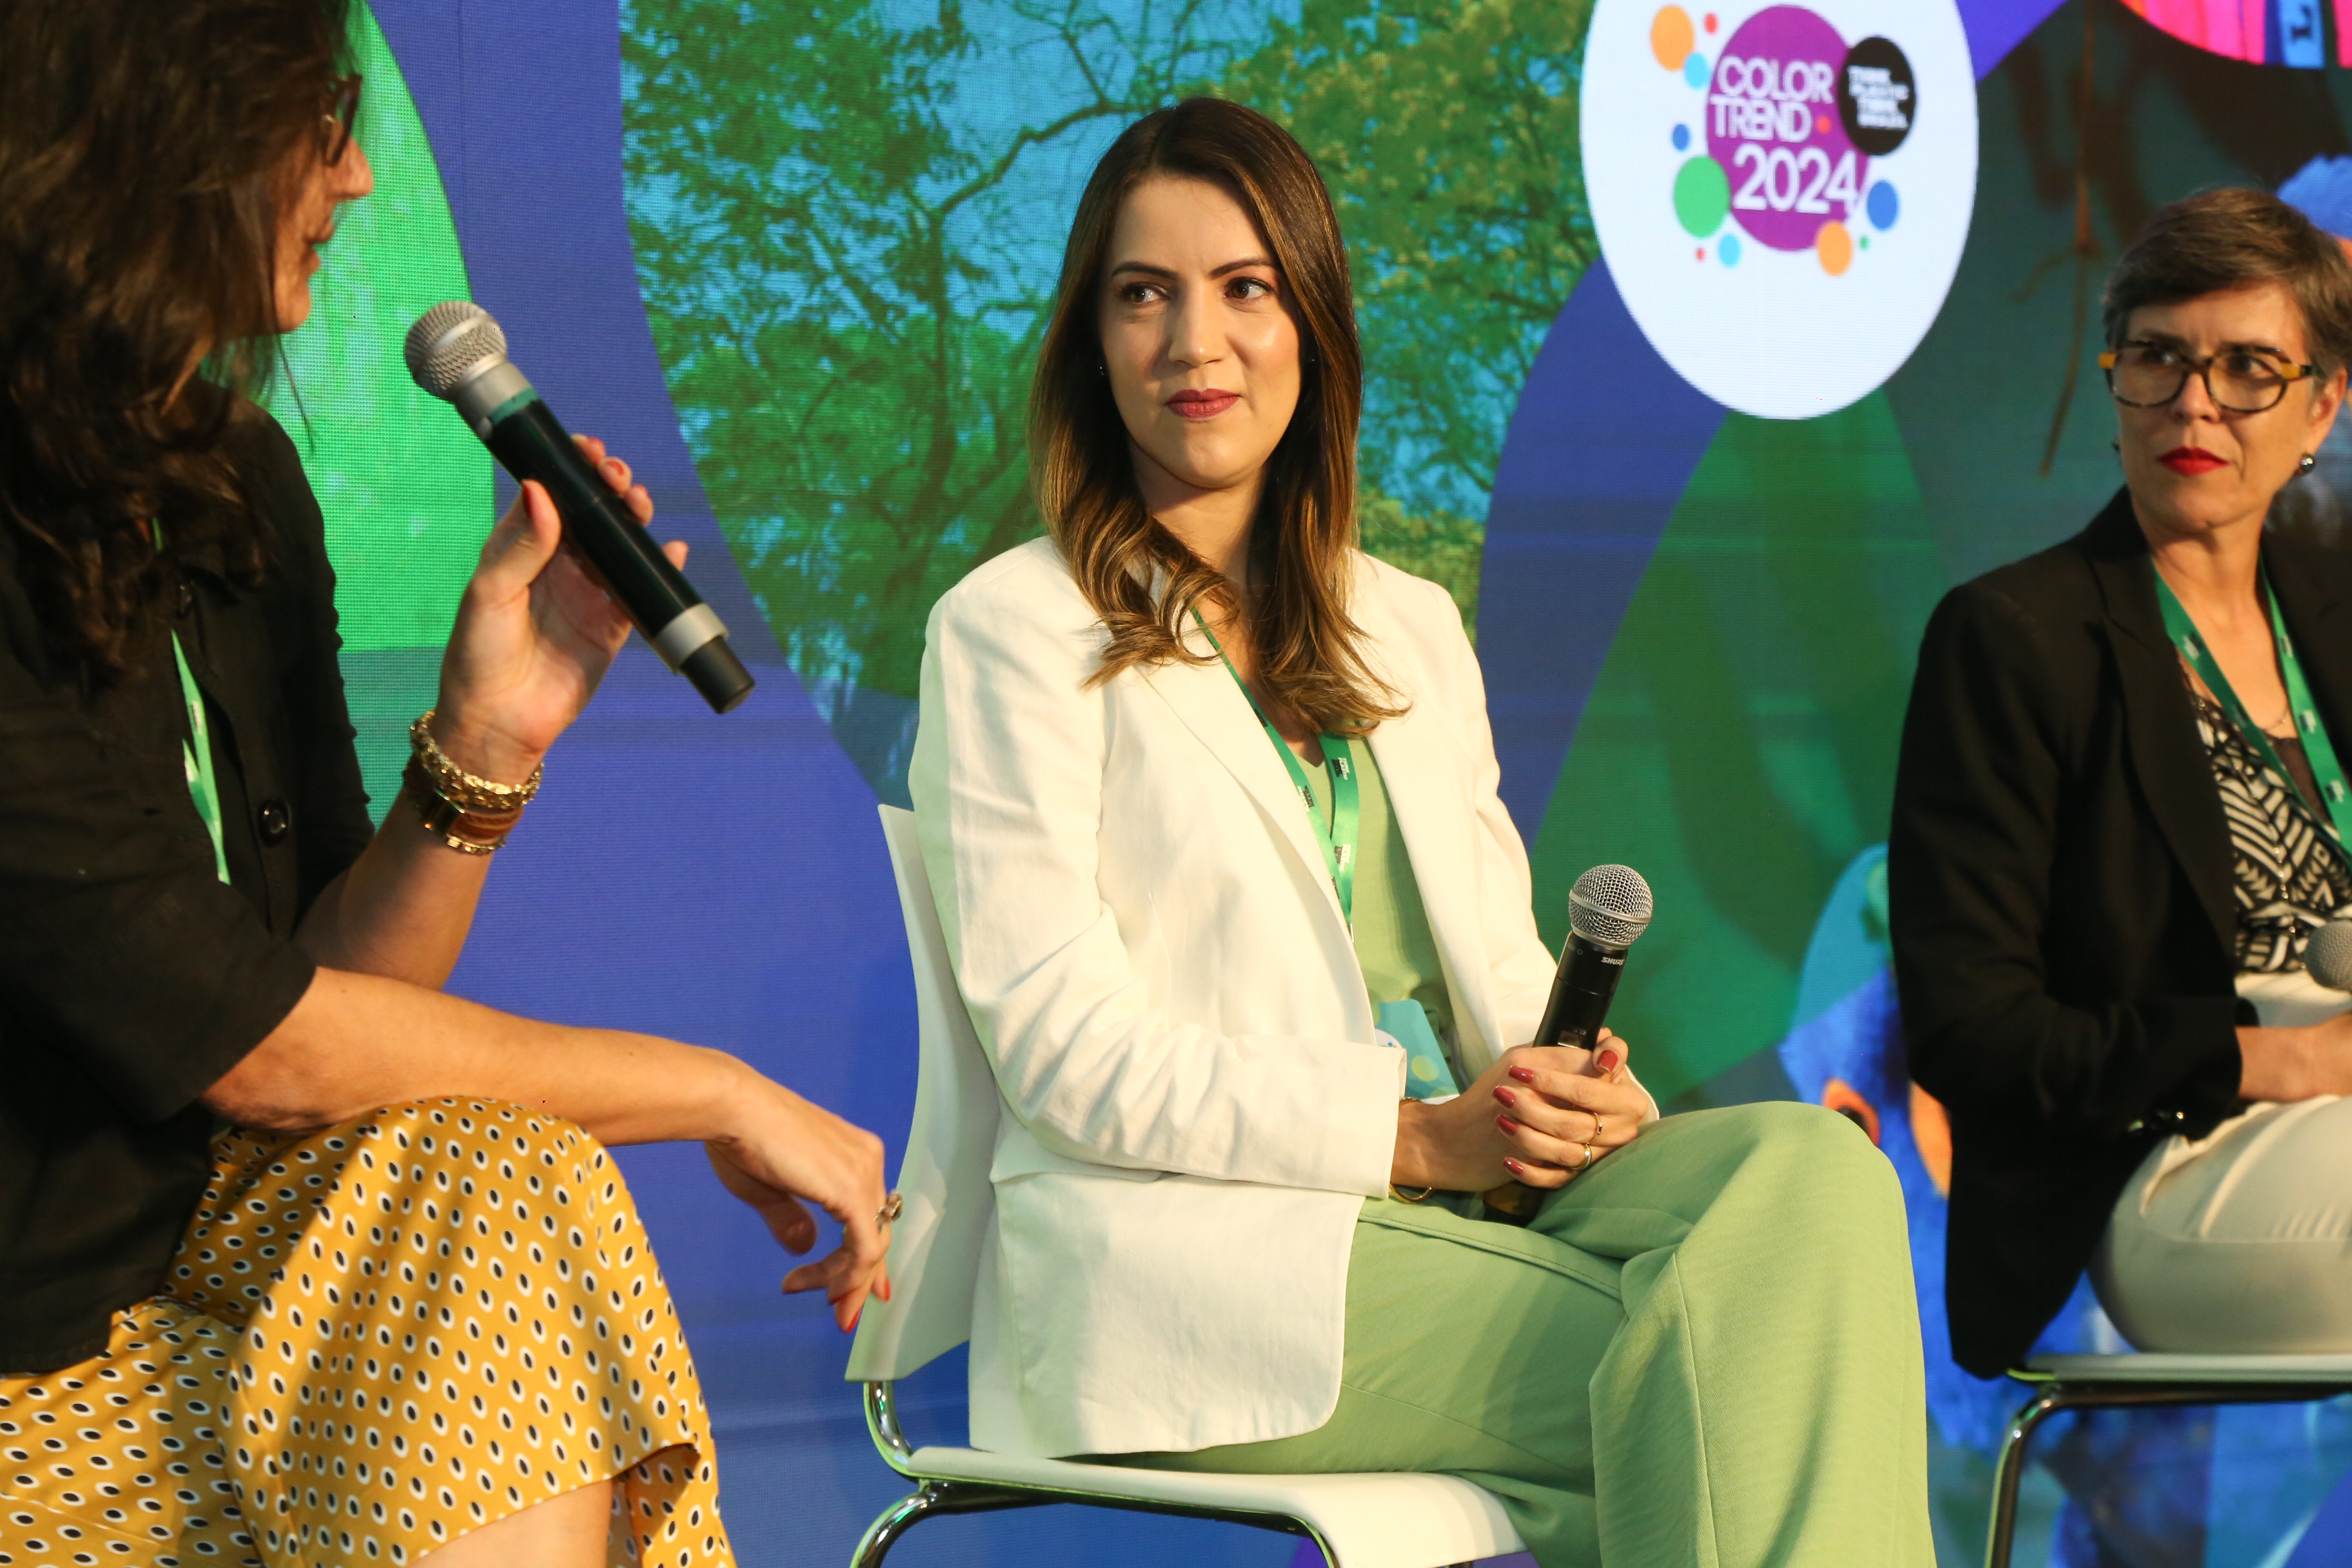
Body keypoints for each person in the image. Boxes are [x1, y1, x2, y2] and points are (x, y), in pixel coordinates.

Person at [909, 96, 1932, 1567]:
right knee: (1744, 1348)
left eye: (1246, 288)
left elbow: (1502, 980)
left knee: (1818, 1180)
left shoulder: (1407, 623)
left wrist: (1574, 1100)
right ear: (1092, 340)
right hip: (1211, 1259)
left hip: (1479, 1194)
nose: (1195, 342)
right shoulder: (1012, 629)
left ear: (1312, 324)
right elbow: (1067, 1054)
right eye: (1143, 295)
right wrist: (1408, 1140)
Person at [0, 2, 892, 1563]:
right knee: (494, 1169)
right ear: (157, 126)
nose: (352, 178)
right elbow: (266, 1050)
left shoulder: (231, 481)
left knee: (495, 1175)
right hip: (40, 1361)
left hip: (209, 1293)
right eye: (319, 122)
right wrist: (721, 1088)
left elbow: (334, 991)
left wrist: (489, 739)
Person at [1891, 188, 2352, 1377]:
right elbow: (1971, 1033)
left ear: (2323, 404)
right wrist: (2287, 1059)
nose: (2196, 402)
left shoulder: (2337, 619)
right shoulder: (2014, 637)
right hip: (2174, 1154)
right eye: (2159, 358)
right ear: (2118, 380)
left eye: (2249, 367)